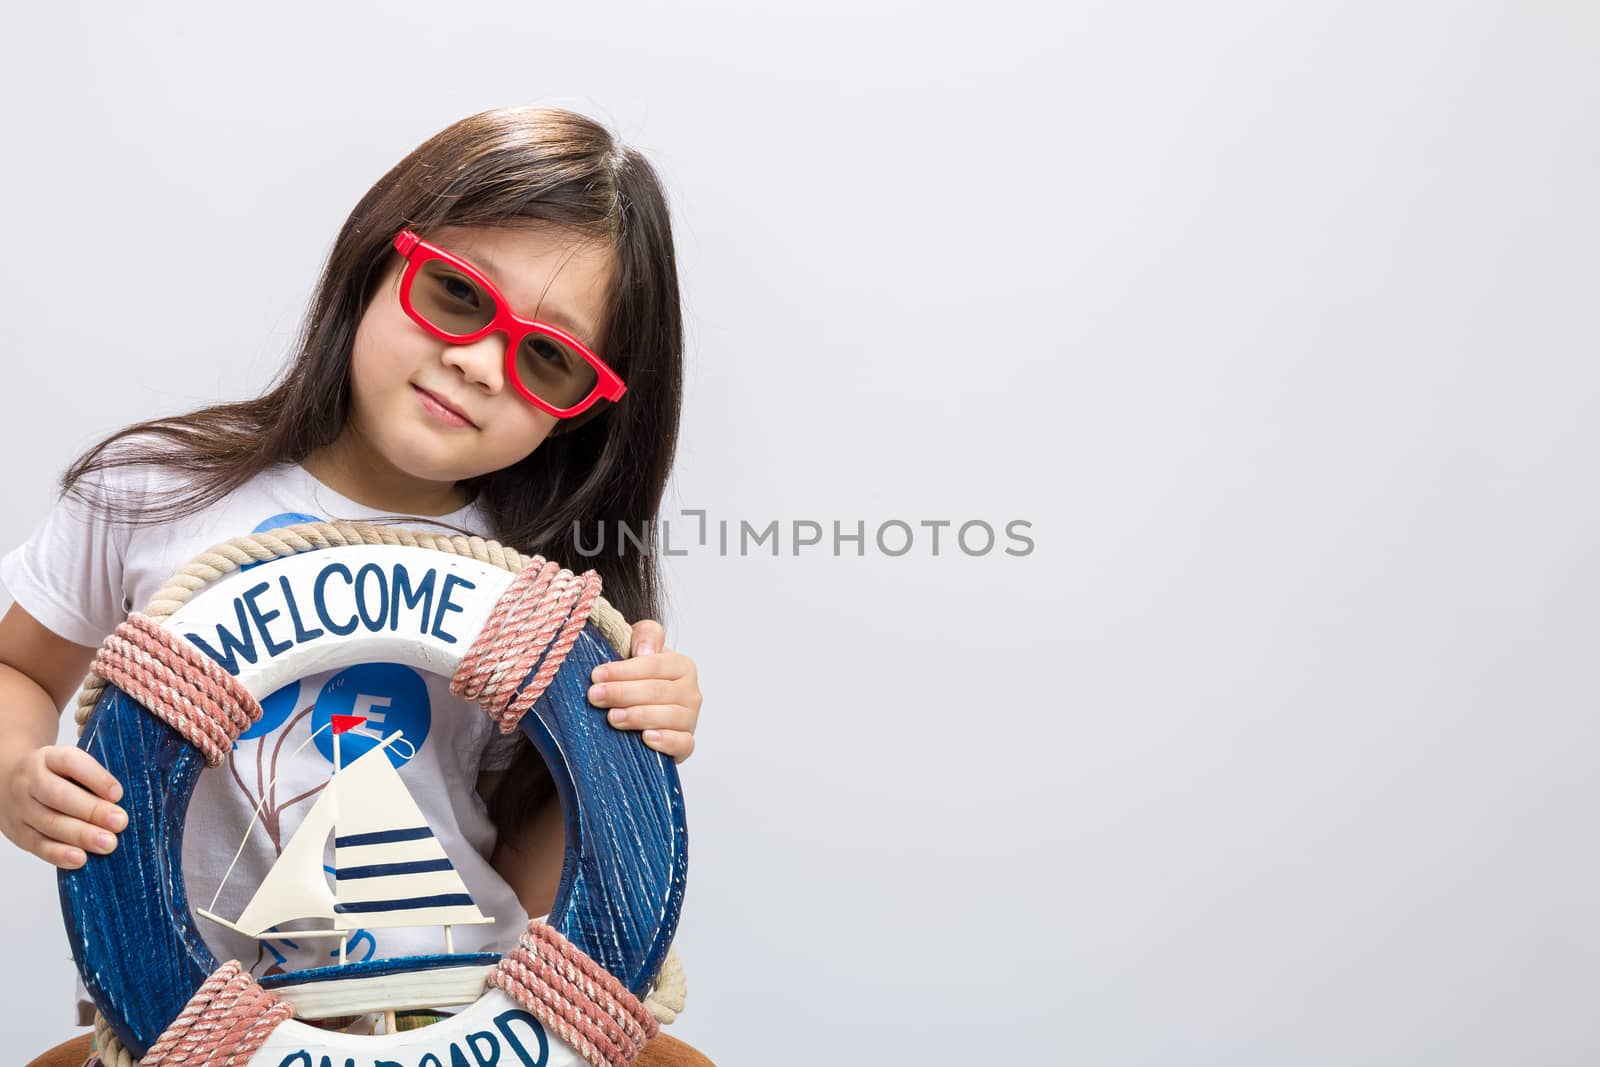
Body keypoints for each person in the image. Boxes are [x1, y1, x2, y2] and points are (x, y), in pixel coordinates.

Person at [0, 105, 704, 1032]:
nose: (481, 363)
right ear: (378, 259)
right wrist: (15, 769)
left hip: (455, 1022)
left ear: (584, 410)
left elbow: (540, 880)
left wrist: (625, 742)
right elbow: (19, 667)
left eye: (547, 356)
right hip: (187, 1022)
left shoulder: (544, 587)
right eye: (457, 294)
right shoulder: (153, 492)